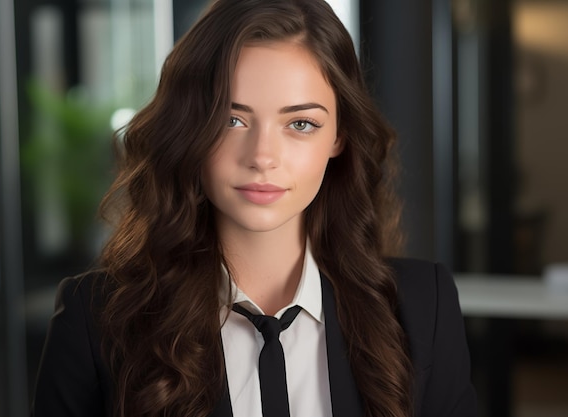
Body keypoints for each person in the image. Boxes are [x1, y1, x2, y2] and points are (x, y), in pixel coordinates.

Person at [31, 0, 477, 416]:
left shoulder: (424, 308)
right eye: (232, 120)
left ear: (339, 137)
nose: (262, 156)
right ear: (189, 129)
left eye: (300, 123)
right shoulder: (95, 321)